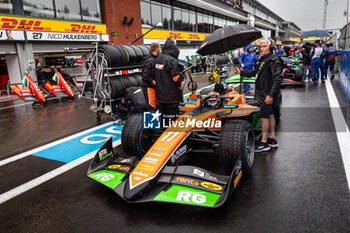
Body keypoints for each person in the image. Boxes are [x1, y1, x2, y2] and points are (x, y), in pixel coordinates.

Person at [233, 39, 283, 152]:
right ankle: (272, 139)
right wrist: (240, 72)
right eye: (260, 47)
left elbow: (277, 79)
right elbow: (254, 72)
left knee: (264, 117)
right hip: (264, 93)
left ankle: (264, 142)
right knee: (270, 115)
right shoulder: (263, 59)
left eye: (264, 46)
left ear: (271, 48)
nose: (261, 48)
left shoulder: (274, 60)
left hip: (267, 94)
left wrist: (270, 95)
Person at [154, 38, 183, 120]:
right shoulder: (172, 60)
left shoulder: (157, 59)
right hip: (171, 97)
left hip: (160, 96)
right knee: (172, 120)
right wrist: (182, 75)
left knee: (163, 118)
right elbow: (176, 78)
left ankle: (162, 131)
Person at [142, 42, 161, 109]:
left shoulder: (157, 59)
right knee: (151, 107)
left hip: (156, 88)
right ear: (157, 49)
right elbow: (145, 76)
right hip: (150, 88)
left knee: (157, 106)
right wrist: (154, 82)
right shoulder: (150, 60)